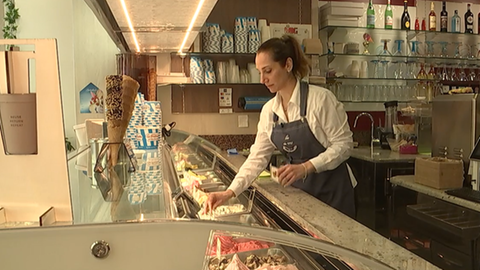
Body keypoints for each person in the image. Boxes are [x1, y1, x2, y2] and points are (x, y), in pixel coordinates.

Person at [205, 35, 356, 218]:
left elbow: (344, 146)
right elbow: (257, 158)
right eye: (260, 72)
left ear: (288, 65)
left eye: (267, 71)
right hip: (302, 197)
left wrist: (306, 167)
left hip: (334, 196)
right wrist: (229, 192)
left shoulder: (320, 100)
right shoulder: (269, 111)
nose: (262, 79)